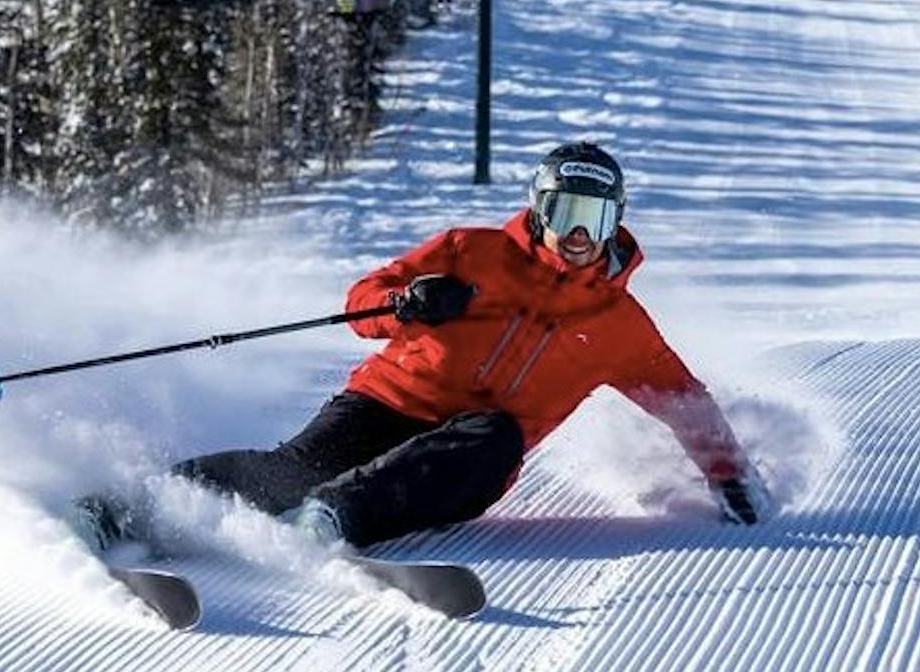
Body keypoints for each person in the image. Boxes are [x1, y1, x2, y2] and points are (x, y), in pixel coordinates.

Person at [87, 142, 770, 550]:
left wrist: (729, 474)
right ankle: (127, 507)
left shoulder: (621, 323)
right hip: (385, 402)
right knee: (290, 467)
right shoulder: (471, 251)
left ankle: (334, 517)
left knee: (496, 432)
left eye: (594, 218)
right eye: (565, 213)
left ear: (616, 221)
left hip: (468, 452)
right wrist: (406, 305)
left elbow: (682, 399)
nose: (578, 234)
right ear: (539, 210)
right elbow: (364, 301)